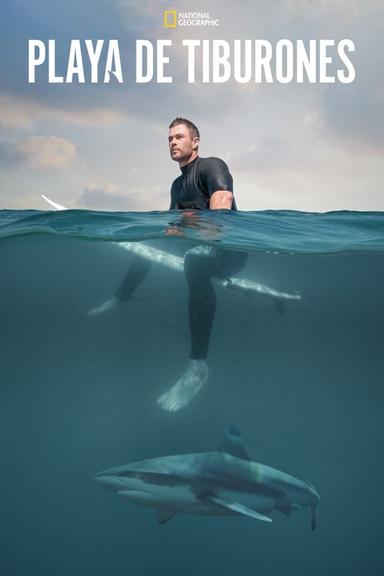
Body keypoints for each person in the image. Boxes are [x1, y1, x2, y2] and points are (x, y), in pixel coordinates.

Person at [90, 118, 247, 411]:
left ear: (195, 141)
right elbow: (172, 226)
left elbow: (223, 198)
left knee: (195, 262)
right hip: (198, 247)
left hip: (231, 252)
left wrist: (207, 240)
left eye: (178, 137)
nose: (173, 142)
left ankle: (198, 366)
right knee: (149, 246)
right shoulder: (177, 185)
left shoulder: (211, 166)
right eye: (169, 139)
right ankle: (121, 296)